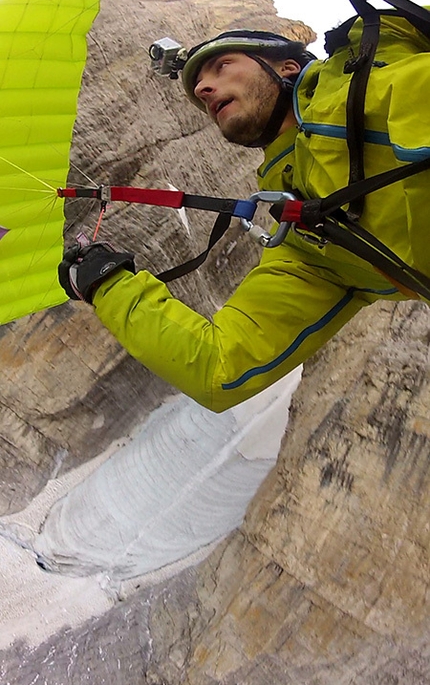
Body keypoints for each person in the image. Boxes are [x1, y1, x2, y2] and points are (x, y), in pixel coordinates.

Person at [59, 22, 430, 414]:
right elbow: (219, 370)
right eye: (200, 91)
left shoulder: (384, 66)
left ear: (287, 66)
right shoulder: (309, 244)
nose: (203, 90)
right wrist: (108, 285)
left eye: (221, 66)